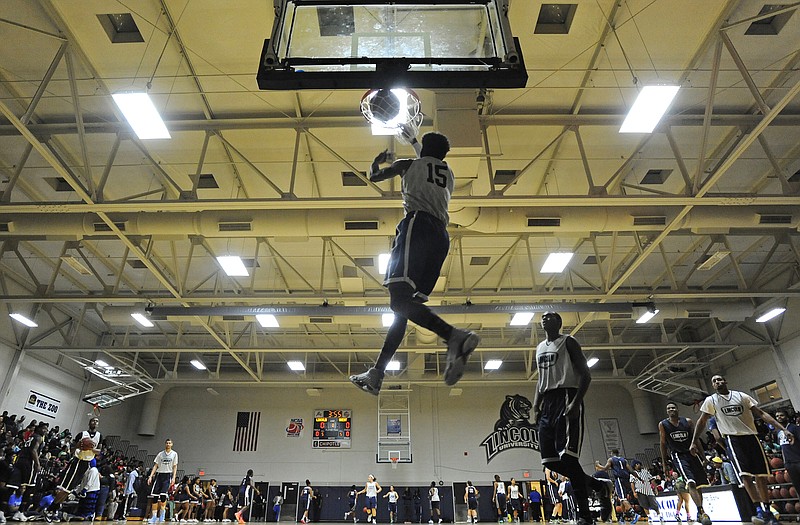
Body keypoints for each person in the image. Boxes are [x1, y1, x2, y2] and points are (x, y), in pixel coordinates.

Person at [348, 129, 480, 395]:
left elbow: (374, 177)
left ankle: (453, 336)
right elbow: (427, 157)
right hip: (440, 238)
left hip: (417, 227)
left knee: (398, 300)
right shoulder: (448, 174)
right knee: (403, 309)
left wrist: (377, 161)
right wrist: (413, 141)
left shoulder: (407, 165)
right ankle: (377, 373)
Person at [533, 311, 613, 525]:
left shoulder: (569, 342)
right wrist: (535, 405)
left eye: (550, 317)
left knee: (568, 458)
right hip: (547, 403)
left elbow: (586, 374)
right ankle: (599, 486)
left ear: (559, 322)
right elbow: (541, 379)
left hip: (567, 396)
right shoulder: (540, 348)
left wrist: (576, 402)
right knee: (551, 461)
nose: (545, 319)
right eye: (543, 317)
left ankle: (585, 515)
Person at [691, 374, 792, 525]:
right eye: (714, 381)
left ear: (725, 381)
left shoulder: (742, 396)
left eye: (719, 379)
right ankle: (758, 508)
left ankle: (766, 510)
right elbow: (702, 421)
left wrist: (782, 429)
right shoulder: (711, 400)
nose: (717, 382)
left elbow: (762, 413)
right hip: (733, 439)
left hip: (752, 436)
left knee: (761, 476)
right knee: (745, 476)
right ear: (712, 386)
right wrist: (693, 441)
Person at [658, 402, 710, 524]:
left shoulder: (688, 422)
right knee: (690, 482)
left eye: (673, 407)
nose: (671, 409)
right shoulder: (663, 424)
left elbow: (696, 439)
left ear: (677, 409)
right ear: (667, 411)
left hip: (692, 454)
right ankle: (701, 511)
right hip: (678, 456)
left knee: (699, 485)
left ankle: (699, 512)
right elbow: (663, 443)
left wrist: (703, 457)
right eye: (668, 408)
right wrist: (665, 463)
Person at [595, 449, 638, 523]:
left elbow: (605, 468)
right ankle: (623, 516)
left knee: (622, 499)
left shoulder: (611, 459)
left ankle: (634, 513)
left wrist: (598, 465)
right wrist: (639, 478)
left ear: (612, 453)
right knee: (622, 499)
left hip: (619, 479)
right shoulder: (624, 460)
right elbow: (631, 470)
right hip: (626, 479)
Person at [147, 438, 178, 525]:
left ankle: (162, 515)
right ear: (165, 444)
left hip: (167, 475)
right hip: (159, 475)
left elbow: (175, 467)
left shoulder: (174, 454)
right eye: (167, 443)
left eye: (169, 443)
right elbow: (155, 465)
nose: (168, 444)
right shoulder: (160, 454)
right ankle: (153, 517)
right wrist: (150, 476)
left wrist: (174, 477)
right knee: (155, 497)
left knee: (163, 496)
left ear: (172, 444)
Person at [776, 409, 800, 503]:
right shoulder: (778, 431)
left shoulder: (794, 428)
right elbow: (782, 448)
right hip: (789, 463)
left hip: (798, 460)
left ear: (787, 417)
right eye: (777, 416)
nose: (779, 418)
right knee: (798, 487)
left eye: (781, 415)